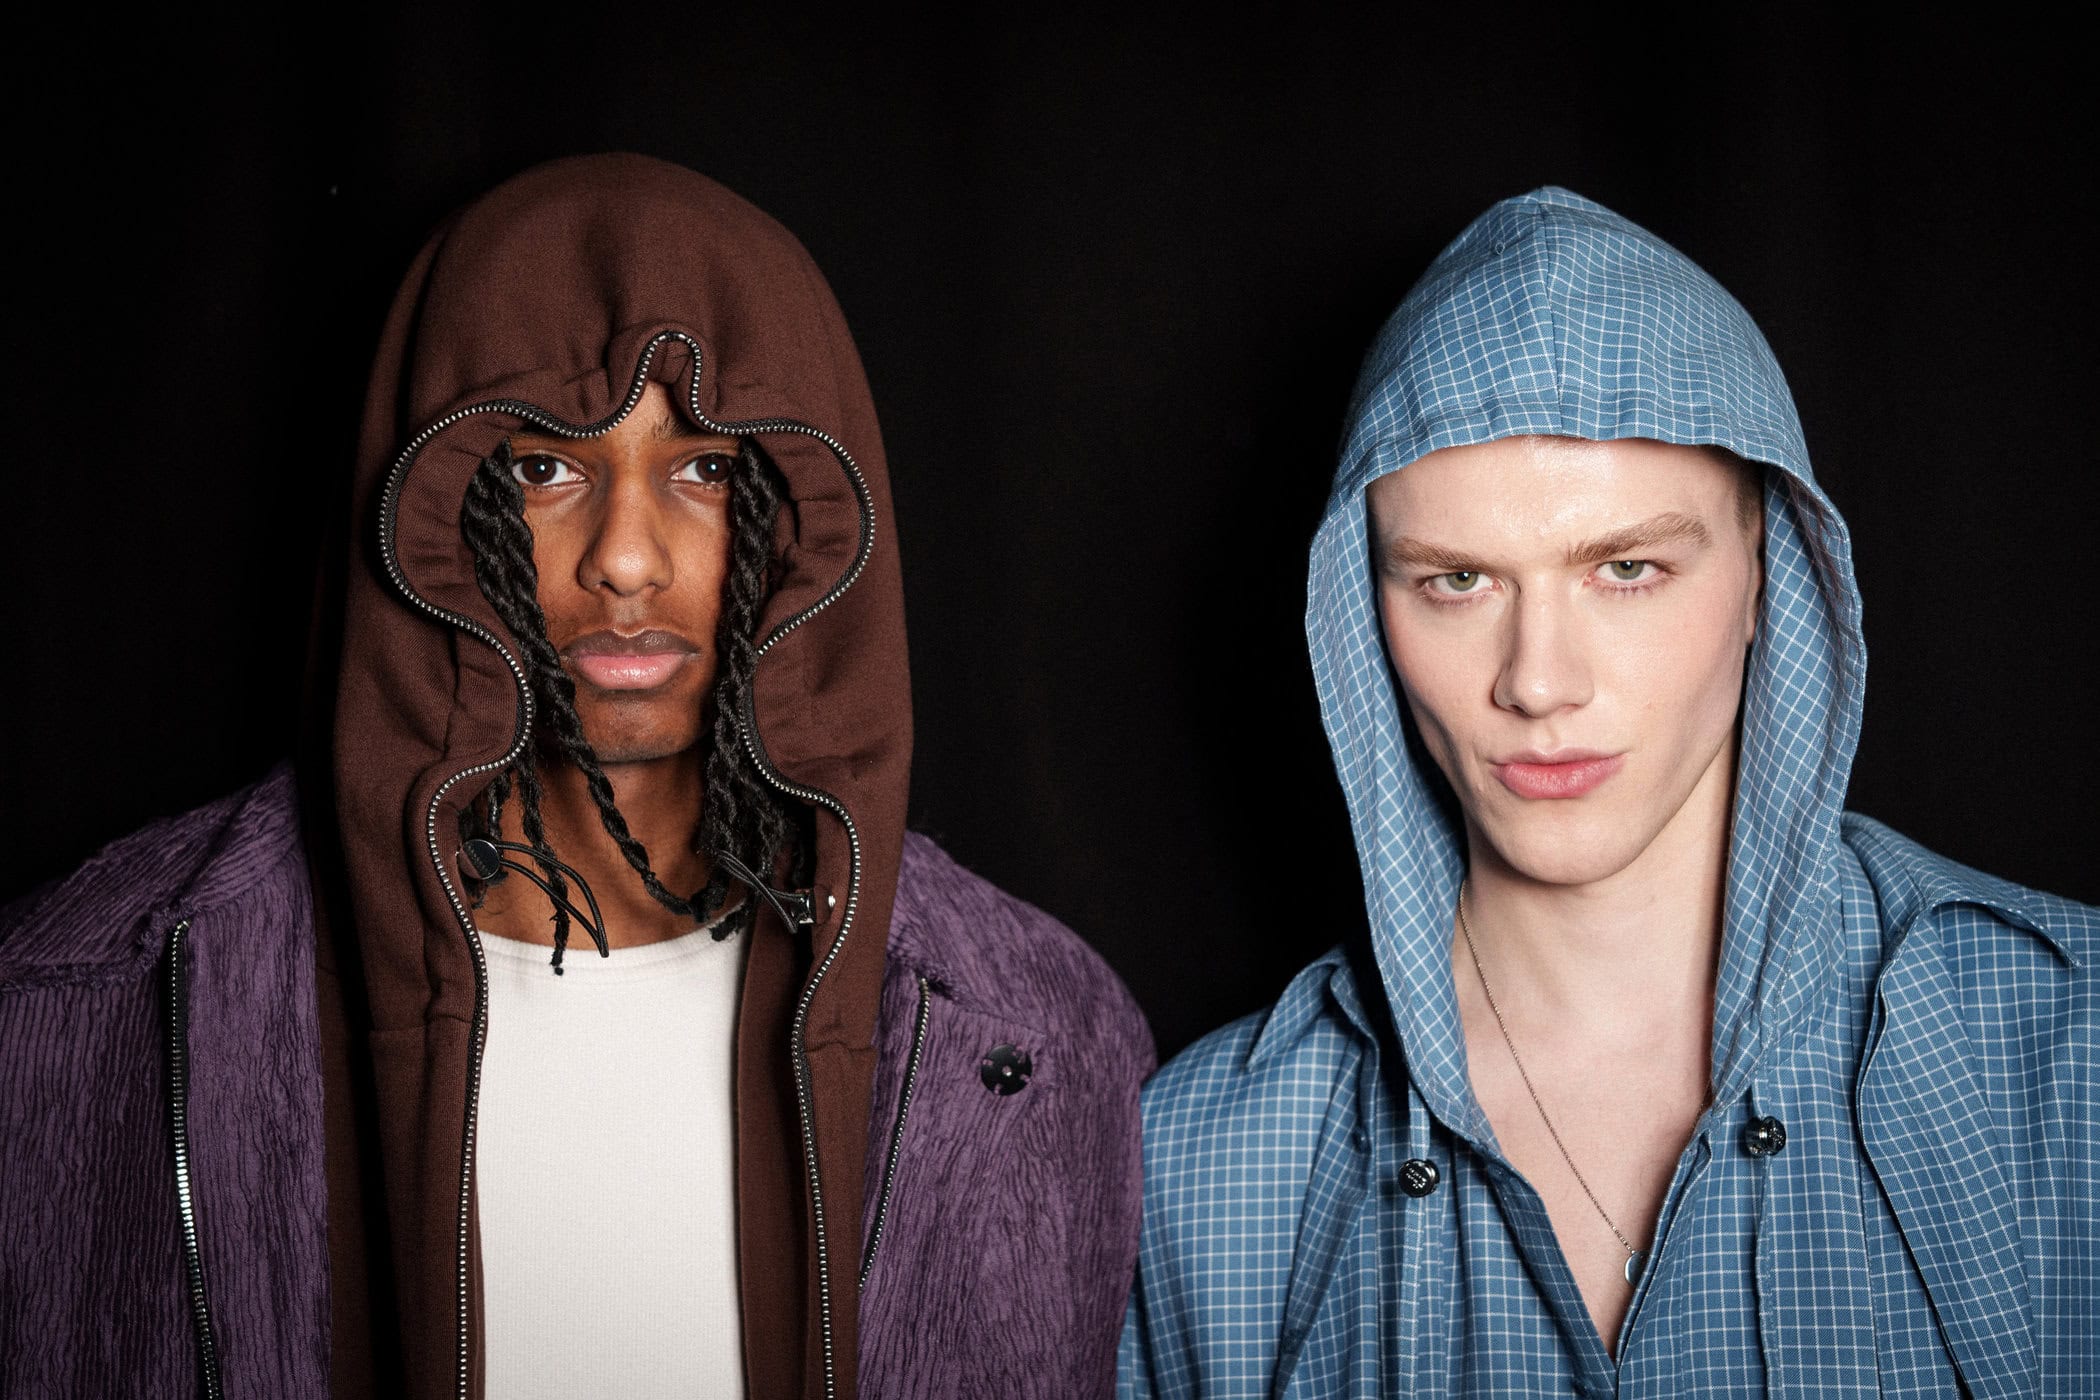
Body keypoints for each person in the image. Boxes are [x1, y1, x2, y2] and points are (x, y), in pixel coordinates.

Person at [0, 154, 1153, 1400]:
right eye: (543, 467)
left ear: (811, 515)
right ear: (431, 500)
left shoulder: (1041, 1030)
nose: (627, 558)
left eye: (708, 469)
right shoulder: (73, 1001)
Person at [1119, 187, 2097, 1395]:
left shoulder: (2070, 1051)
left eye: (1627, 568)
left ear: (1768, 571)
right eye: (1457, 580)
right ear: (1361, 606)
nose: (1538, 680)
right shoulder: (1196, 1164)